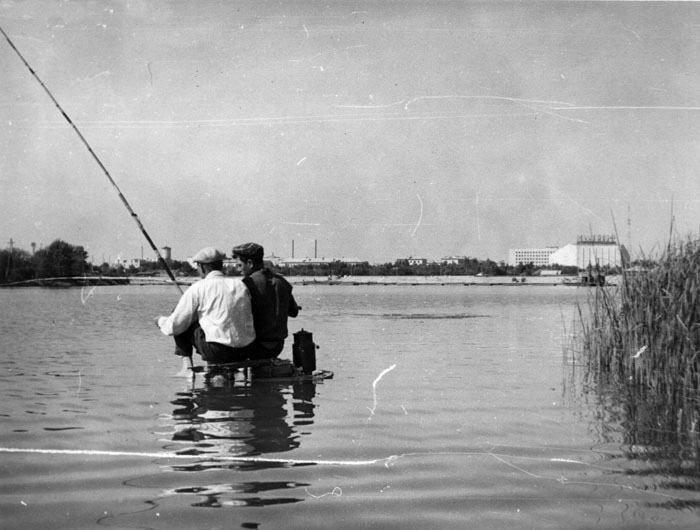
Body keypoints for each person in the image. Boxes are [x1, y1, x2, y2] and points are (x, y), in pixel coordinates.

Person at [154, 246, 257, 366]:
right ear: (221, 265)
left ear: (201, 267)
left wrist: (160, 321)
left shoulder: (198, 287)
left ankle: (187, 367)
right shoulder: (239, 284)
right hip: (245, 350)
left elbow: (174, 327)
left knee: (177, 314)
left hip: (217, 352)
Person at [231, 242, 299, 359]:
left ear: (250, 263)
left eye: (239, 265)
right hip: (278, 346)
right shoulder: (282, 282)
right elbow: (294, 312)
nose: (238, 270)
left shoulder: (247, 284)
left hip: (255, 347)